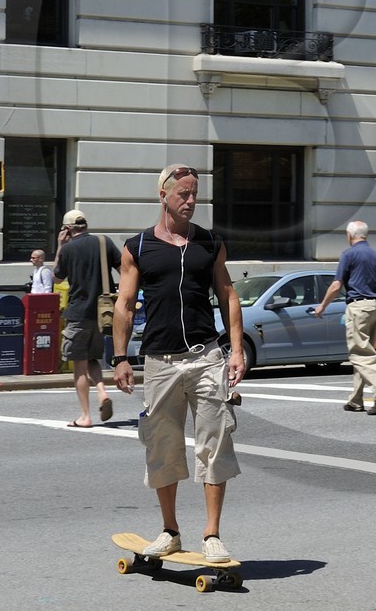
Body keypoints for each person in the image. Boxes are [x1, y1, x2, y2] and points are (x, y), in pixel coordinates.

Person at [112, 164, 245, 566]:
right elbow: (124, 304)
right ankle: (170, 531)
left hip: (206, 357)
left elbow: (228, 296)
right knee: (163, 446)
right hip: (160, 361)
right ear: (163, 195)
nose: (190, 202)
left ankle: (212, 534)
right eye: (183, 195)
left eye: (194, 195)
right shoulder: (137, 247)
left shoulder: (210, 243)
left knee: (215, 442)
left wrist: (236, 350)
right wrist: (120, 358)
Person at [312, 221, 376, 416]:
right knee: (364, 353)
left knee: (360, 354)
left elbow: (336, 285)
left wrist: (322, 306)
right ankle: (356, 400)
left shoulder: (349, 254)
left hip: (360, 307)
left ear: (349, 235)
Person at [54, 209, 118, 427]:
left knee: (79, 365)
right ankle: (102, 393)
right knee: (93, 358)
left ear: (68, 229)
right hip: (102, 314)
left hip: (78, 313)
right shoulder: (104, 242)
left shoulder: (68, 249)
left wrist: (60, 246)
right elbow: (124, 267)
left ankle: (85, 416)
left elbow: (56, 276)